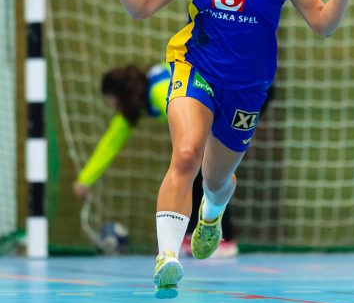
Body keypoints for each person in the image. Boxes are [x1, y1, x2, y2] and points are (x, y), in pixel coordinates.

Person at [107, 0, 353, 299]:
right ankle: (167, 257)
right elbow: (141, 7)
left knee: (217, 180)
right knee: (186, 154)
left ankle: (213, 212)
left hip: (247, 89)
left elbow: (322, 24)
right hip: (195, 68)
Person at [72, 64, 240, 257]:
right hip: (215, 110)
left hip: (225, 103)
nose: (112, 107)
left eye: (112, 101)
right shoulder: (141, 100)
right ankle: (194, 235)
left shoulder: (160, 91)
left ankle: (224, 240)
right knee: (198, 174)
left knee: (206, 176)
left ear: (121, 96)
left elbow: (198, 111)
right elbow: (110, 143)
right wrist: (85, 179)